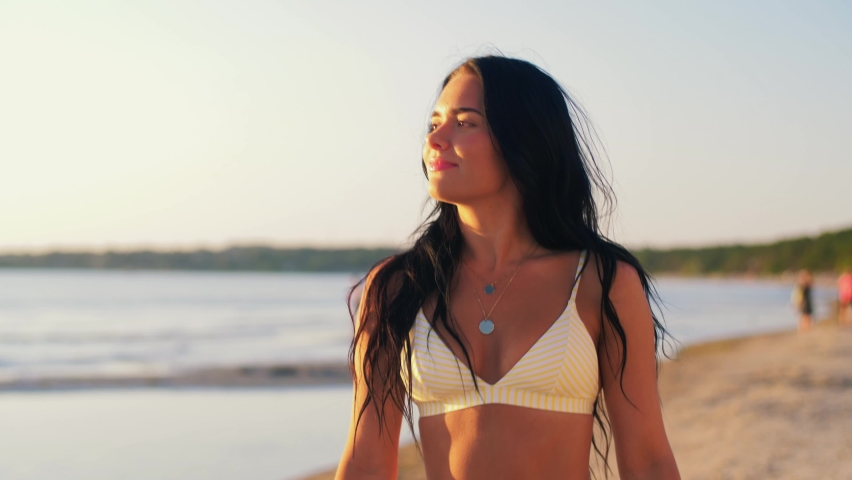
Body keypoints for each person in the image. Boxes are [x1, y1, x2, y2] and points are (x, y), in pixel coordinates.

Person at [336, 56, 679, 479]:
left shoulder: (601, 281)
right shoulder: (396, 287)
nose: (436, 140)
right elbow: (365, 462)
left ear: (525, 138)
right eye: (434, 124)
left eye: (465, 122)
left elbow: (647, 458)